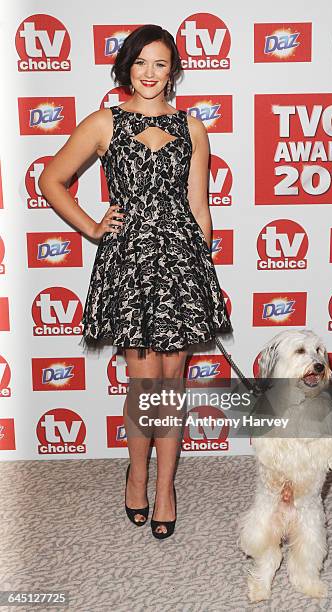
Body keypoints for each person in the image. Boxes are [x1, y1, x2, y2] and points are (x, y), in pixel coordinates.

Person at [38, 24, 232, 539]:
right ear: (127, 68)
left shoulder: (193, 128)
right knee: (145, 382)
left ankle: (165, 487)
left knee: (172, 382)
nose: (150, 73)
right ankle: (137, 474)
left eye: (161, 64)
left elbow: (199, 204)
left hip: (180, 263)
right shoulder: (104, 123)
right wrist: (93, 227)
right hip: (128, 265)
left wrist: (203, 269)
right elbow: (50, 181)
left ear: (174, 71)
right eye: (140, 63)